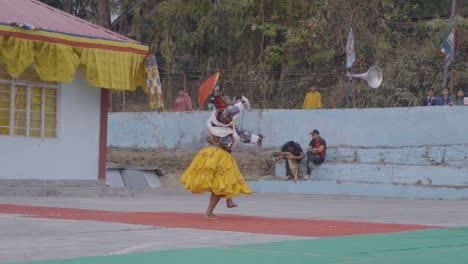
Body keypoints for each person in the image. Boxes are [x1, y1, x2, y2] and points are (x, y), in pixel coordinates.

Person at [179, 102, 263, 220]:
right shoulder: (228, 128)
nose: (229, 118)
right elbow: (242, 134)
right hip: (220, 156)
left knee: (222, 182)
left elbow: (238, 128)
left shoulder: (215, 124)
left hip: (208, 154)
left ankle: (228, 200)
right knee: (220, 184)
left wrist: (239, 105)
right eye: (228, 117)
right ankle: (209, 212)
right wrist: (241, 105)